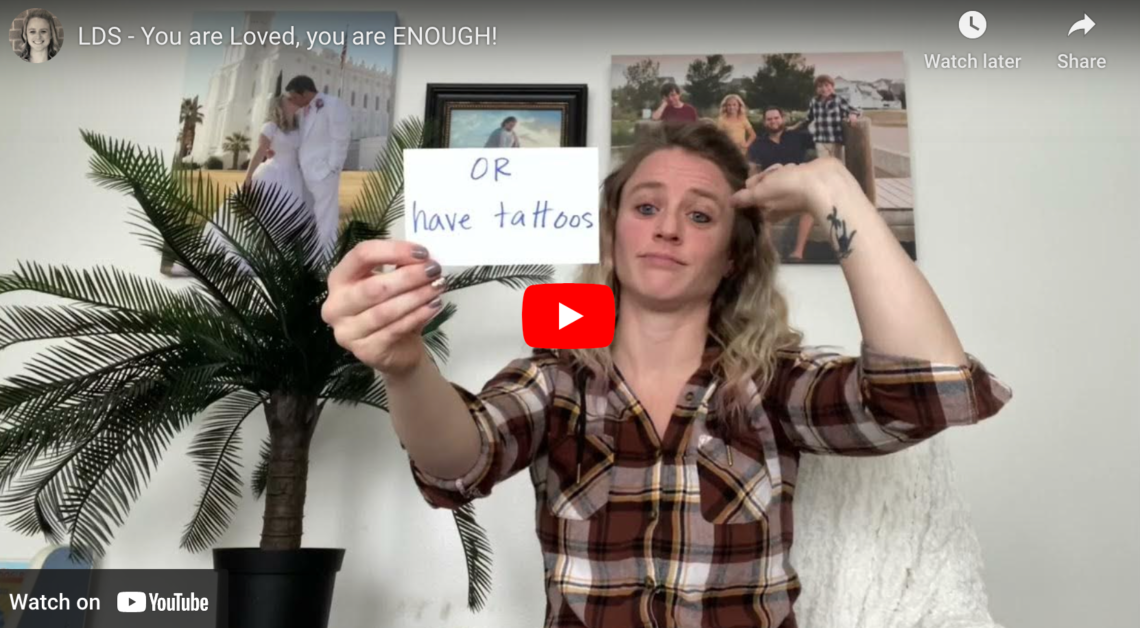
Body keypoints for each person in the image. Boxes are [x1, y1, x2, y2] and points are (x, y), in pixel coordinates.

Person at [322, 123, 1012, 627]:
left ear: (733, 257)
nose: (668, 229)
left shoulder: (772, 384)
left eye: (701, 215)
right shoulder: (557, 376)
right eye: (646, 207)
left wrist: (832, 188)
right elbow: (460, 460)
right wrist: (405, 365)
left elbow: (928, 392)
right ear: (613, 235)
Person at [286, 75, 350, 259]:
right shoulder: (302, 112)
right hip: (306, 173)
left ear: (305, 93)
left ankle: (326, 259)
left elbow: (340, 138)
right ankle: (312, 255)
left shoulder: (333, 104)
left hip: (324, 173)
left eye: (294, 97)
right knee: (309, 216)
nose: (293, 101)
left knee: (326, 218)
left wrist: (332, 168)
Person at [749, 106, 815, 260]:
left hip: (796, 186)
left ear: (782, 119)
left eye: (776, 118)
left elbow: (824, 139)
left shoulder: (797, 136)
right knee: (761, 214)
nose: (773, 121)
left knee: (812, 206)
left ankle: (798, 252)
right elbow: (753, 170)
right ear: (764, 122)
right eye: (769, 119)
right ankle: (772, 254)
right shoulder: (758, 144)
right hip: (773, 189)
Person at [792, 74, 860, 164]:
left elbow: (853, 109)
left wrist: (853, 115)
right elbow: (809, 118)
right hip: (820, 140)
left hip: (835, 140)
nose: (824, 89)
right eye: (820, 86)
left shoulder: (838, 100)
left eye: (827, 85)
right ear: (816, 89)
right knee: (823, 164)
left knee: (837, 164)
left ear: (832, 87)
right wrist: (795, 127)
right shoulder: (814, 102)